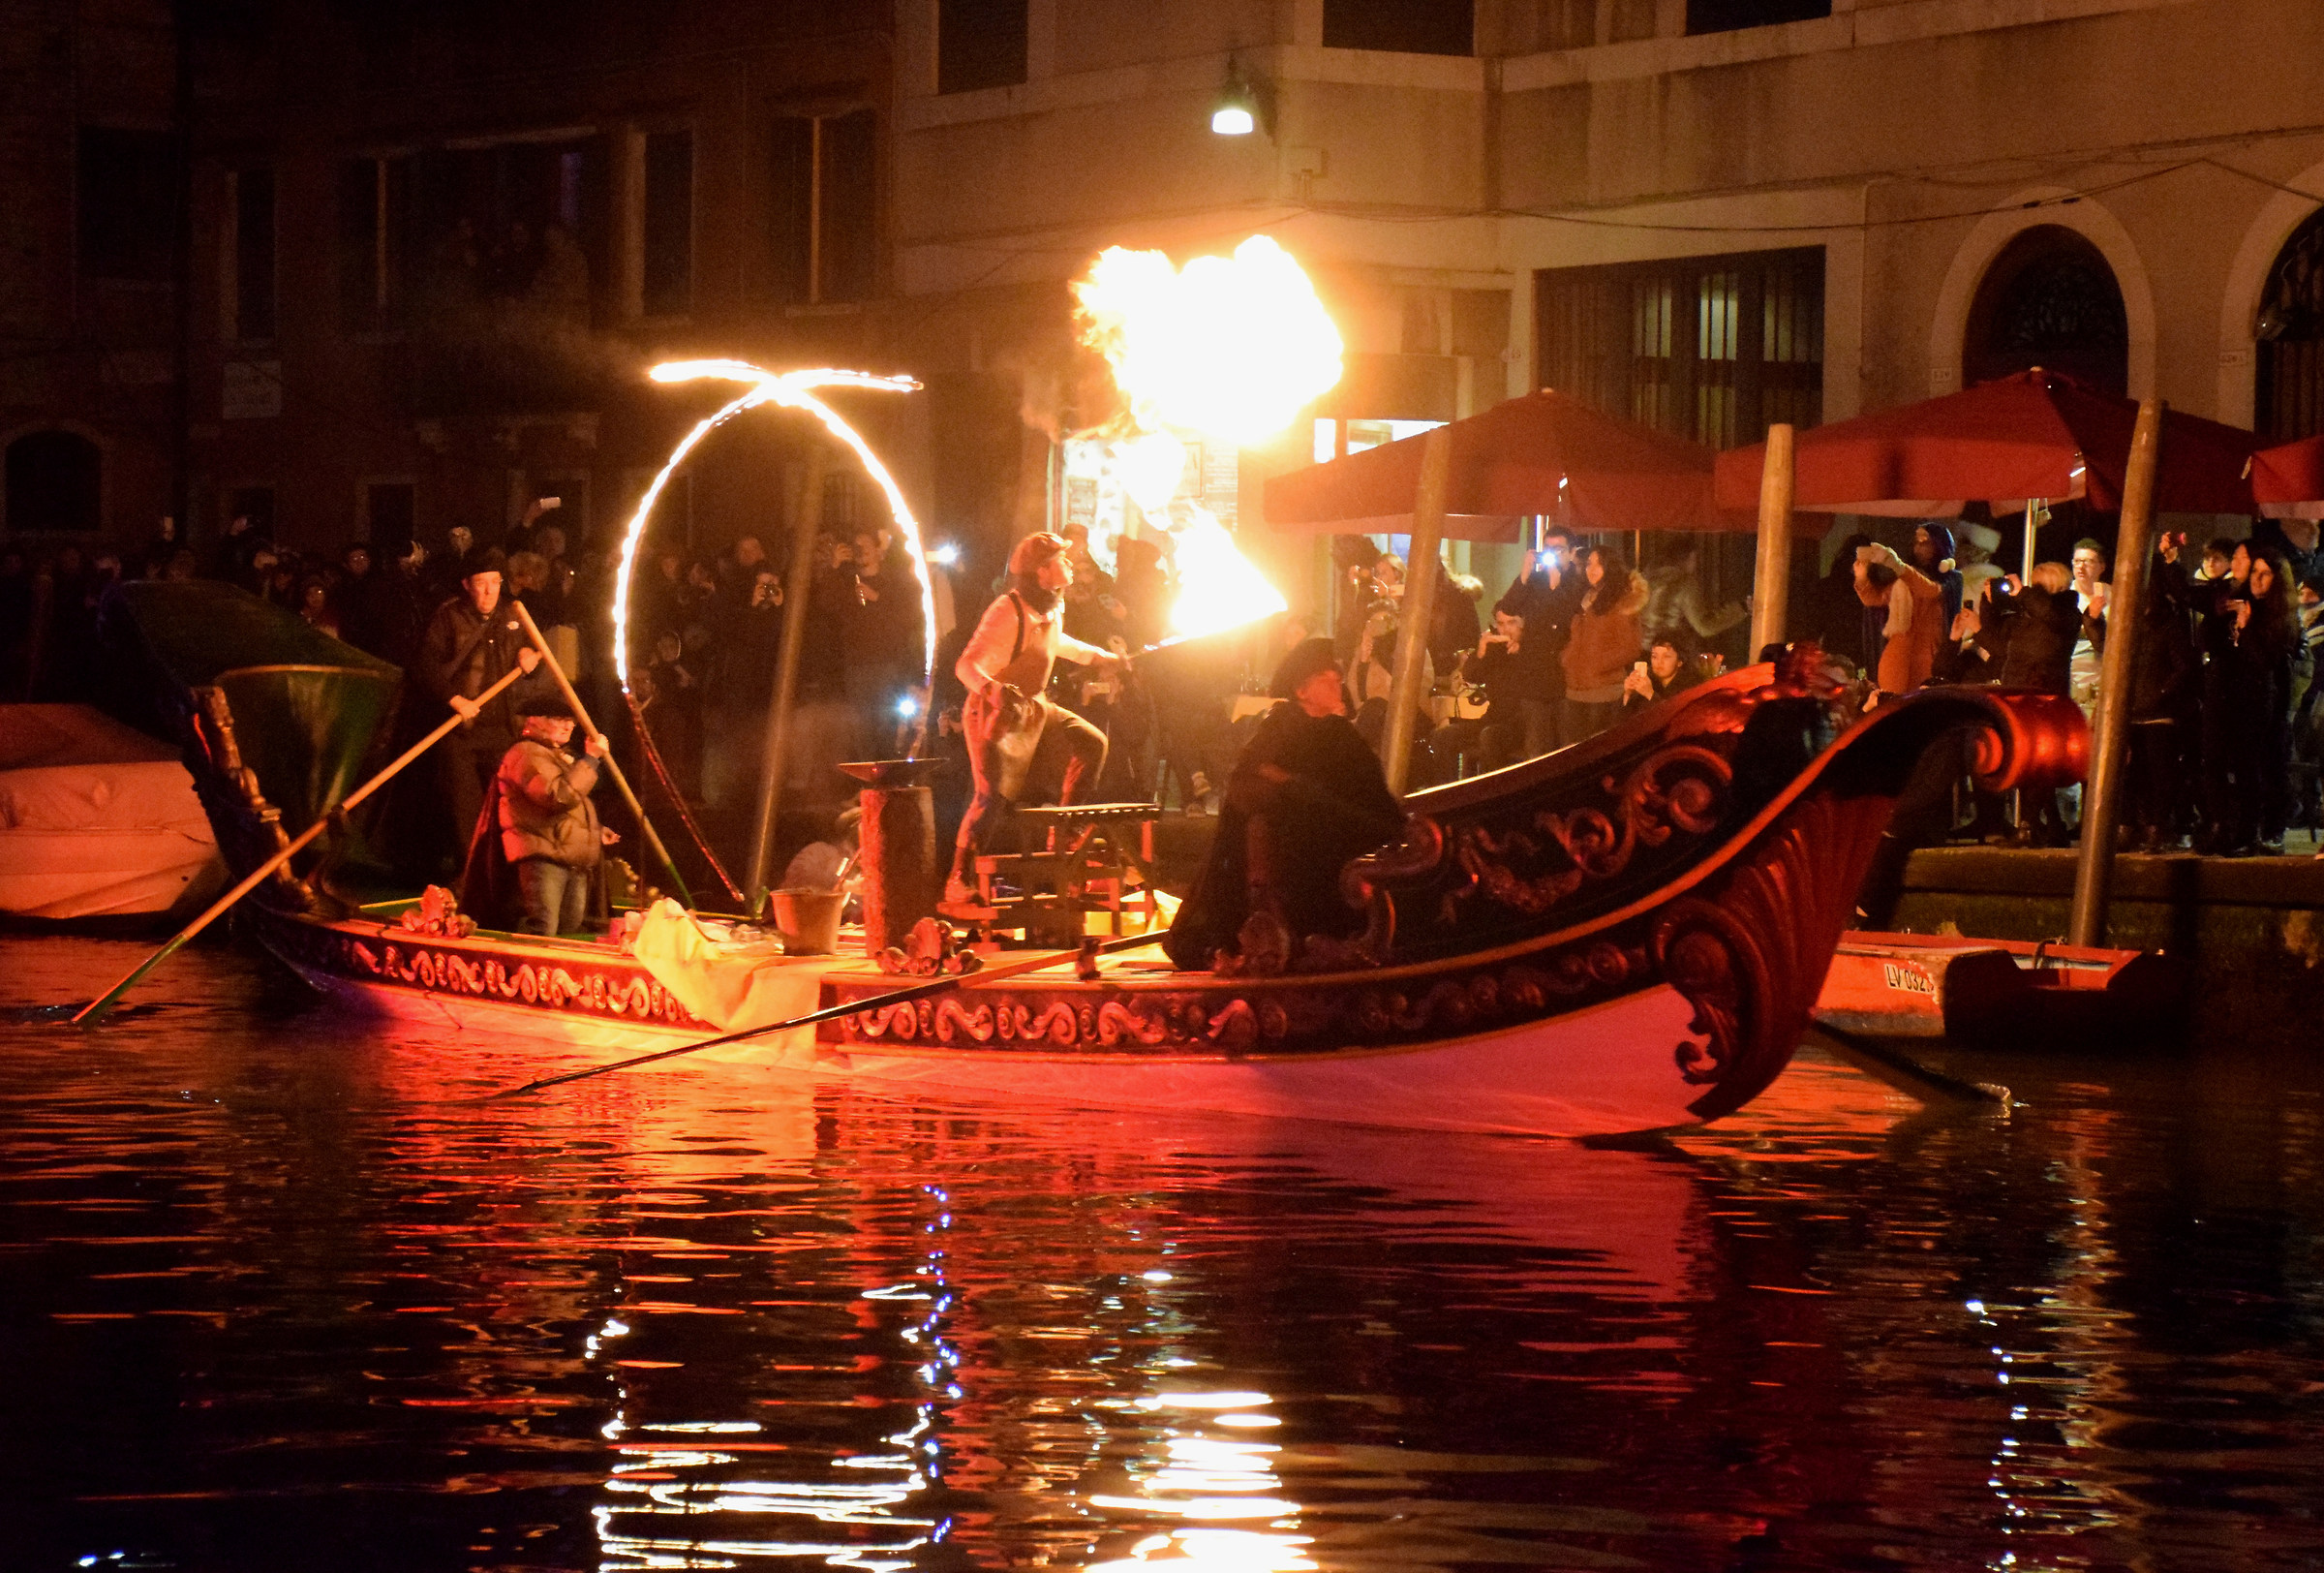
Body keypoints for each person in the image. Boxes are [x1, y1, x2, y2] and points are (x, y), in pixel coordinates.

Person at [1162, 637, 1404, 973]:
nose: (1337, 684)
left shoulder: (1339, 734)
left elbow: (1367, 794)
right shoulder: (1283, 728)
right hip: (1306, 847)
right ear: (1302, 690)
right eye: (1326, 678)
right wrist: (1292, 790)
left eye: (1338, 678)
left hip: (1344, 830)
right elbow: (1249, 788)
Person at [944, 531, 1126, 907]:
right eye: (1062, 559)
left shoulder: (1052, 607)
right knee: (990, 797)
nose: (1070, 563)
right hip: (993, 713)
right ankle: (958, 880)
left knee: (1091, 743)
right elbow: (965, 665)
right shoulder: (1006, 610)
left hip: (1033, 708)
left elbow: (1059, 644)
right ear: (1042, 571)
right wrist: (992, 689)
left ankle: (1064, 831)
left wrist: (1101, 658)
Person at [419, 547, 543, 874]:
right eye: (481, 583)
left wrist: (530, 657)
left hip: (501, 730)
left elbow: (538, 656)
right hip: (460, 732)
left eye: (494, 582)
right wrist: (454, 699)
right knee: (467, 811)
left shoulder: (514, 614)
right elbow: (426, 664)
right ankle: (472, 876)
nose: (489, 591)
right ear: (466, 584)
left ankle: (505, 877)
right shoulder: (449, 617)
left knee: (506, 807)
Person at [461, 694, 616, 935]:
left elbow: (571, 806)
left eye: (571, 720)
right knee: (544, 926)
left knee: (569, 928)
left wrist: (595, 830)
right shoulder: (526, 753)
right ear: (534, 721)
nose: (569, 726)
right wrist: (591, 759)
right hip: (543, 856)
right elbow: (558, 796)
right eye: (559, 719)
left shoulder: (556, 756)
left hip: (569, 857)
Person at [1559, 543, 1649, 743]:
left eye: (1599, 564)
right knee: (1571, 755)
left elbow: (1631, 647)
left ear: (1610, 567)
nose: (1592, 569)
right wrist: (1567, 658)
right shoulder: (1584, 598)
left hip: (1604, 694)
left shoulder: (1620, 602)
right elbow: (1574, 639)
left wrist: (1595, 665)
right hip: (1574, 691)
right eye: (1589, 563)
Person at [1854, 541, 1943, 695]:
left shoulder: (1937, 585)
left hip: (1924, 655)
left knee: (1920, 697)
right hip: (1899, 652)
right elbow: (1874, 599)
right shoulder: (1899, 585)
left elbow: (1930, 590)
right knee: (1894, 697)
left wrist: (1899, 567)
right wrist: (1861, 577)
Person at [1621, 633, 1702, 710]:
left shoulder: (1691, 686)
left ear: (1679, 661)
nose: (1659, 662)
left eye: (1666, 657)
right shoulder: (1649, 681)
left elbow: (1676, 714)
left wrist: (1650, 694)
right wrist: (1628, 694)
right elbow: (1627, 717)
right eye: (1655, 657)